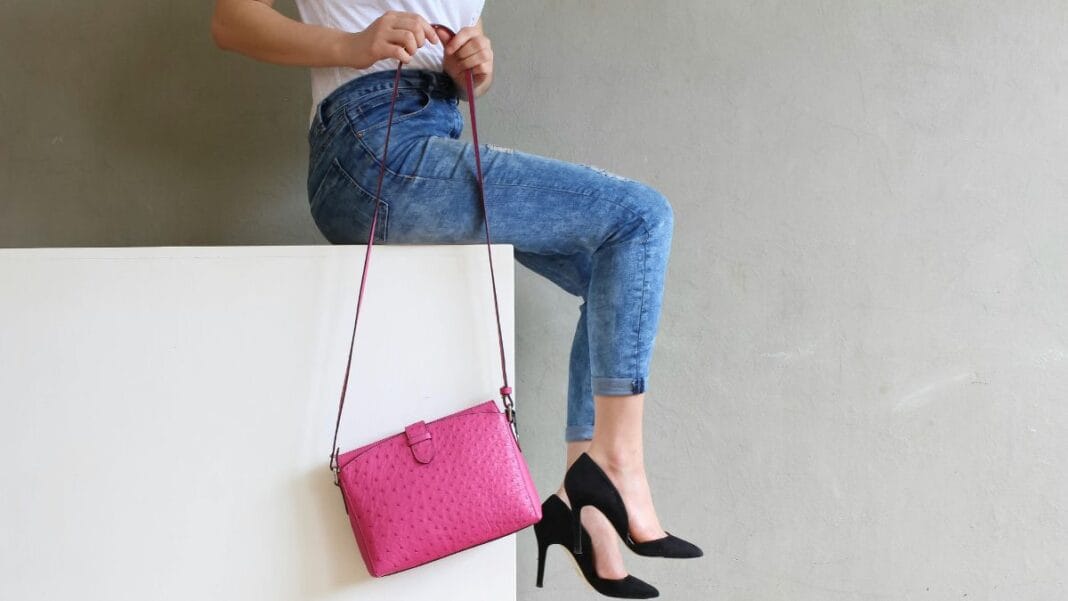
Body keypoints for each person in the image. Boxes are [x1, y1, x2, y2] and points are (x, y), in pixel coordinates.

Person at [211, 1, 701, 597]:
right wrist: (353, 46)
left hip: (436, 129)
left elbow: (465, 56)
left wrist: (472, 66)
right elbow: (231, 20)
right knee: (639, 217)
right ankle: (618, 467)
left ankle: (584, 499)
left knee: (617, 265)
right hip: (369, 145)